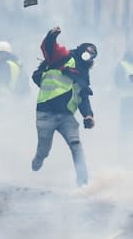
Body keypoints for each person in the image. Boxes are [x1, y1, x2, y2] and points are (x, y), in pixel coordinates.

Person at [31, 26, 97, 187]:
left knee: (76, 144)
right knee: (44, 148)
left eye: (92, 55)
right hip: (46, 112)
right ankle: (39, 158)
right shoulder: (65, 57)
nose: (87, 56)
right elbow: (50, 48)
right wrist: (52, 36)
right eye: (86, 52)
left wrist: (88, 115)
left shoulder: (83, 75)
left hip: (67, 116)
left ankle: (83, 183)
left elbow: (83, 96)